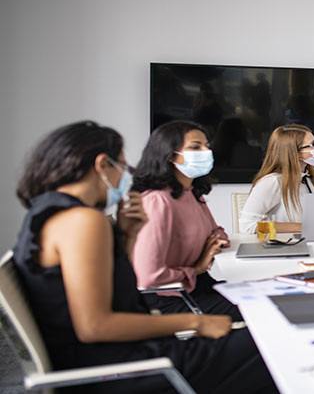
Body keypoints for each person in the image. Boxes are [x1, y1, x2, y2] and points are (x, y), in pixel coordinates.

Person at [12, 121, 276, 394]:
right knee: (275, 344)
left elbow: (114, 290)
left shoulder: (47, 213)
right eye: (123, 167)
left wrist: (127, 236)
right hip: (122, 367)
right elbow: (94, 326)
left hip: (109, 359)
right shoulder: (84, 221)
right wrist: (197, 321)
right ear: (103, 165)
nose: (124, 179)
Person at [131, 121, 238, 319]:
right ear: (170, 155)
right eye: (195, 147)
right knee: (264, 309)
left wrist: (214, 244)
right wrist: (195, 269)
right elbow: (148, 276)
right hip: (172, 299)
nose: (206, 151)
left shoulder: (192, 192)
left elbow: (217, 232)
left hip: (198, 286)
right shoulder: (157, 201)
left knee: (270, 296)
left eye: (207, 145)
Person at [238, 124, 314, 234]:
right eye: (312, 145)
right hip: (286, 245)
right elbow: (247, 226)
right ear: (293, 152)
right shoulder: (273, 182)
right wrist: (299, 227)